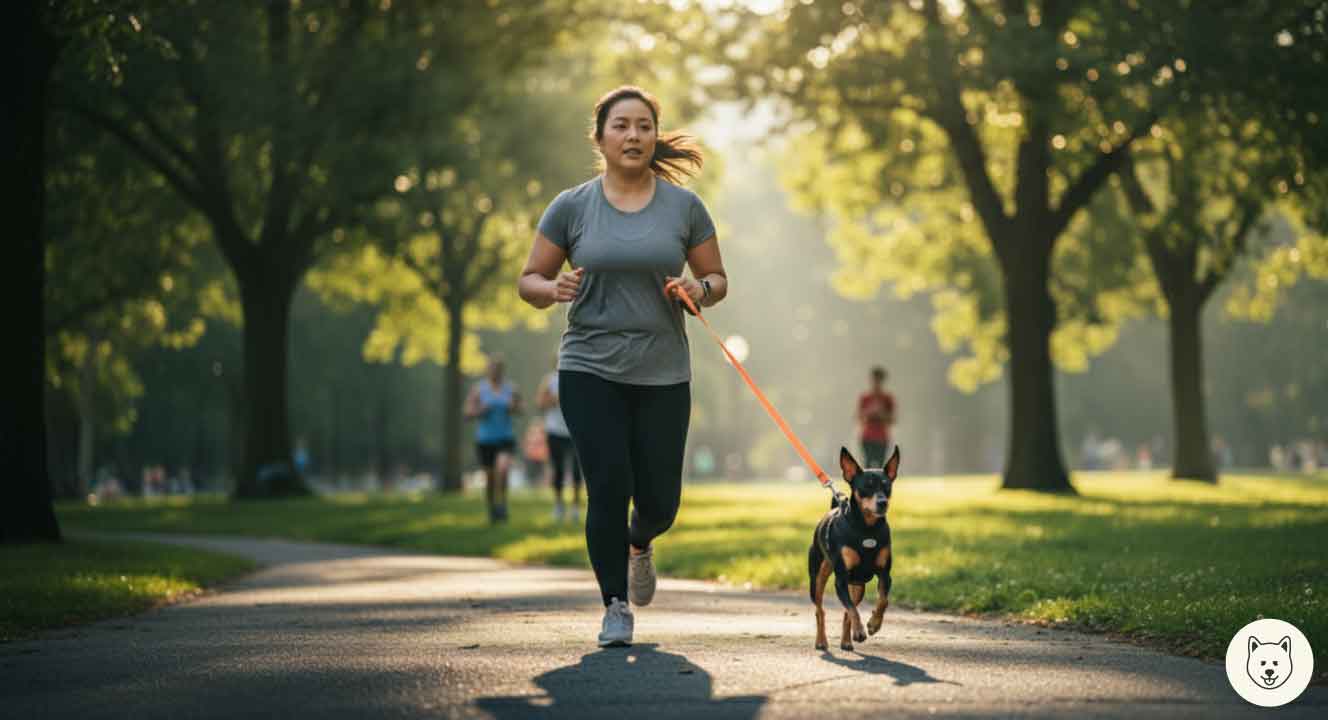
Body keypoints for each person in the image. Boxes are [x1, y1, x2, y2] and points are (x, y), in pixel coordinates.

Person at [517, 85, 727, 647]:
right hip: (589, 368)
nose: (632, 135)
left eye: (643, 126)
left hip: (663, 370)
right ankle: (614, 606)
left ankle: (641, 541)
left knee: (659, 500)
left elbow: (717, 280)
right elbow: (528, 280)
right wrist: (550, 286)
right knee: (607, 486)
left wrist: (696, 288)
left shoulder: (684, 207)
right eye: (621, 125)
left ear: (655, 135)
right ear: (600, 136)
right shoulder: (572, 206)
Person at [465, 355, 521, 524]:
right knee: (489, 477)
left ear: (502, 371)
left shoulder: (511, 388)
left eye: (498, 370)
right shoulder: (479, 389)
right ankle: (491, 508)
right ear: (488, 371)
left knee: (503, 471)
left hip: (505, 437)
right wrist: (480, 410)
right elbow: (467, 413)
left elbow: (521, 407)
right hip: (485, 439)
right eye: (492, 369)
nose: (495, 373)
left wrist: (514, 407)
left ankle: (502, 504)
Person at [537, 357, 583, 523]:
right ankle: (558, 505)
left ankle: (576, 507)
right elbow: (540, 404)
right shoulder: (549, 380)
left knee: (578, 470)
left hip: (575, 430)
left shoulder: (579, 378)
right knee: (558, 470)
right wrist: (555, 399)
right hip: (554, 431)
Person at [856, 366, 896, 468]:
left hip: (882, 437)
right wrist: (869, 412)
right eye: (874, 380)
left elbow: (893, 420)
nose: (876, 383)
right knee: (868, 465)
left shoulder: (887, 398)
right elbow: (859, 417)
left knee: (880, 466)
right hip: (867, 437)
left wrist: (881, 413)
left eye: (878, 380)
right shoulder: (865, 398)